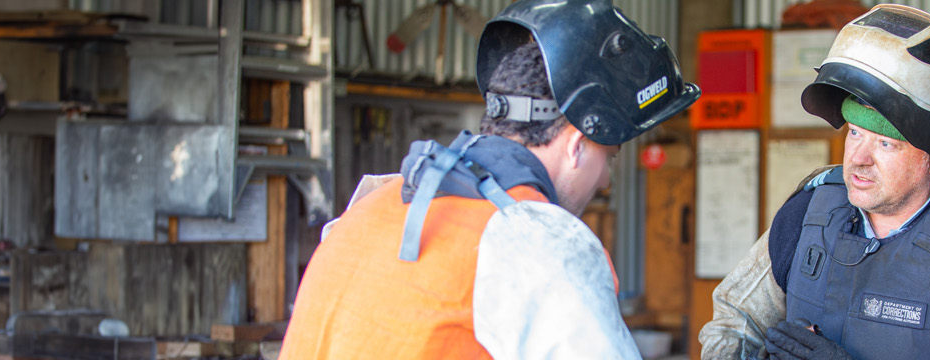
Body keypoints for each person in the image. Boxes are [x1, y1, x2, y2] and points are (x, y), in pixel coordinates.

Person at [279, 0, 699, 358]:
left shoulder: (368, 206)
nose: (604, 180)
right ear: (576, 144)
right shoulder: (541, 241)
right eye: (609, 156)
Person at [698, 5, 930, 360]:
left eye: (885, 143)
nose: (859, 159)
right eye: (855, 133)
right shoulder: (807, 212)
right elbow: (733, 322)